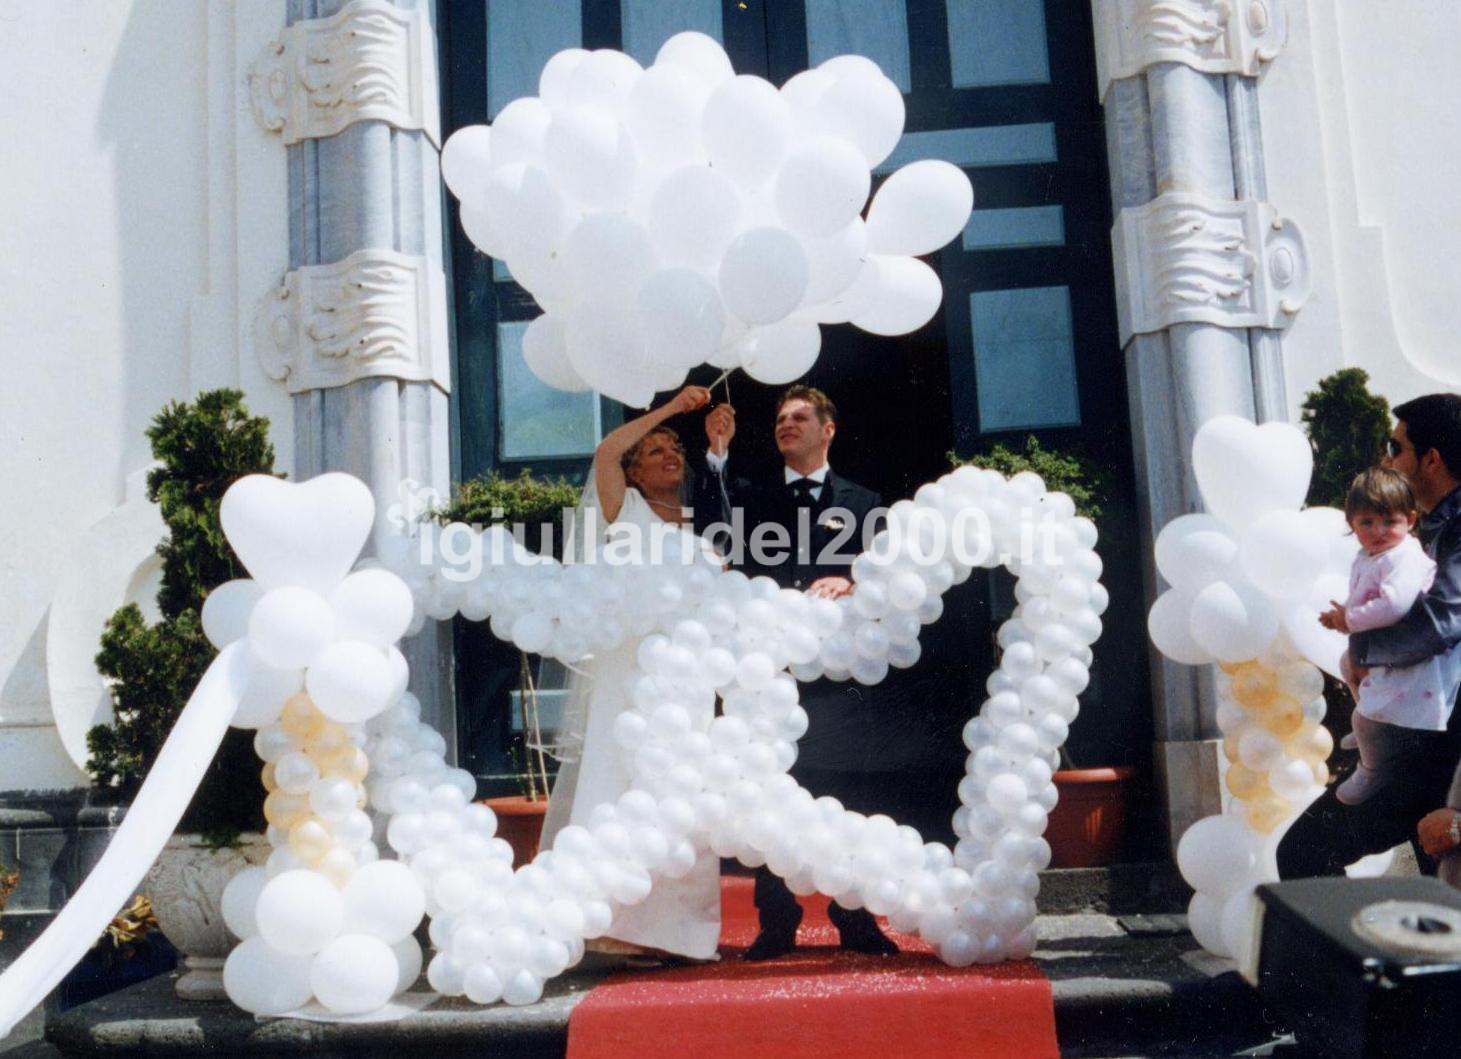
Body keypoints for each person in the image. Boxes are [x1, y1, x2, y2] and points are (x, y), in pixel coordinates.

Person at [696, 385, 899, 960]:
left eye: (800, 417)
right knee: (770, 790)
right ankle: (776, 924)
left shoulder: (865, 501)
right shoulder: (751, 495)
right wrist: (717, 454)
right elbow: (711, 536)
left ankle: (856, 920)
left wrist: (855, 581)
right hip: (770, 673)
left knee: (848, 792)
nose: (786, 424)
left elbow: (892, 575)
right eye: (781, 418)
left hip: (839, 673)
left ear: (827, 429)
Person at [540, 385, 723, 962]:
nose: (670, 455)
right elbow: (605, 452)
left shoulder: (697, 522)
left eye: (675, 449)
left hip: (687, 679)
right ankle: (610, 918)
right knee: (621, 781)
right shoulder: (625, 510)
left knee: (682, 791)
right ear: (635, 473)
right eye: (654, 451)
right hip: (631, 676)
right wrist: (672, 410)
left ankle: (680, 933)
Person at [1278, 393, 1461, 880]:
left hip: (1440, 745)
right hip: (1423, 737)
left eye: (1396, 448)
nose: (1387, 459)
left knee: (1304, 853)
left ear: (1432, 459)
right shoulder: (1429, 528)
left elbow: (1444, 621)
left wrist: (1365, 651)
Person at [1319, 469, 1458, 805]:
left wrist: (1349, 619)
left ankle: (1373, 768)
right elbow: (1366, 595)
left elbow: (1394, 604)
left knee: (1364, 718)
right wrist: (1347, 613)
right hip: (1390, 642)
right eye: (1367, 523)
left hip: (1415, 653)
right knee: (1347, 666)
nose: (1379, 532)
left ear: (1410, 520)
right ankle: (1375, 732)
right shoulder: (1370, 555)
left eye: (1390, 522)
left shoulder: (1403, 556)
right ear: (1352, 524)